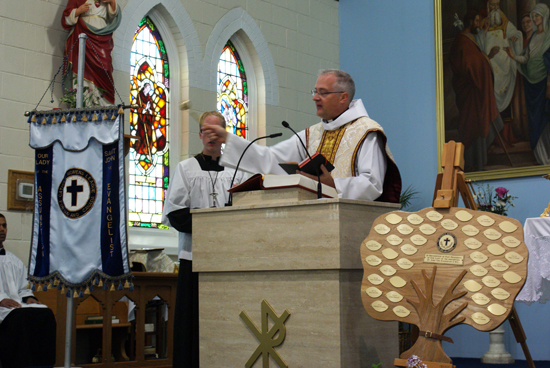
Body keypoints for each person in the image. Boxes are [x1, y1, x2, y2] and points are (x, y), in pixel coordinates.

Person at [202, 69, 401, 203]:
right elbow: (272, 159)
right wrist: (228, 139)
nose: (315, 97)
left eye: (323, 92)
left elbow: (372, 184)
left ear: (343, 97)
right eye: (315, 91)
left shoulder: (366, 132)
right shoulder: (310, 135)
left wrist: (333, 184)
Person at [161, 111, 247, 368]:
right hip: (194, 258)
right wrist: (212, 227)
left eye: (216, 131)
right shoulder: (186, 169)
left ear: (224, 136)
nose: (210, 136)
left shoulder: (238, 171)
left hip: (229, 259)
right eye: (205, 131)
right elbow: (175, 213)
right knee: (192, 320)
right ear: (199, 135)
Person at [449, 11, 504, 171]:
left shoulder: (469, 39)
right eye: (477, 21)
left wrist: (486, 59)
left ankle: (479, 161)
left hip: (476, 91)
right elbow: (470, 66)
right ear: (470, 21)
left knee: (479, 124)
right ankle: (474, 163)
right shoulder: (463, 41)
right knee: (474, 126)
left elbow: (477, 61)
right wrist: (482, 72)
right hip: (472, 93)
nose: (479, 24)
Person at [0, 213, 56, 368]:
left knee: (45, 313)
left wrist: (29, 298)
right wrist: (1, 299)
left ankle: (43, 364)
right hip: (2, 308)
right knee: (19, 318)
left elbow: (23, 287)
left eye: (4, 225)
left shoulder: (13, 260)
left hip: (16, 306)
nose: (2, 229)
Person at [505, 3, 550, 165]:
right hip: (532, 86)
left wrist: (549, 84)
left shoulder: (548, 37)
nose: (535, 19)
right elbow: (526, 59)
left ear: (544, 17)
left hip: (545, 85)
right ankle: (542, 156)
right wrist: (513, 56)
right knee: (535, 120)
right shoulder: (533, 38)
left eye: (537, 16)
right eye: (534, 16)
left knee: (545, 118)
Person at [61, 0, 121, 105]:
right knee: (81, 66)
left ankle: (103, 102)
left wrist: (111, 1)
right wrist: (78, 11)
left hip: (102, 37)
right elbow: (65, 19)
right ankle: (84, 102)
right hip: (83, 32)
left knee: (105, 67)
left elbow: (113, 16)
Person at [475, 0, 523, 113]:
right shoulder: (482, 24)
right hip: (490, 65)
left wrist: (515, 38)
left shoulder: (504, 21)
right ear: (488, 6)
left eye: (497, 5)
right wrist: (485, 30)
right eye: (493, 4)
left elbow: (516, 33)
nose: (496, 7)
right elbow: (478, 43)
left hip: (505, 65)